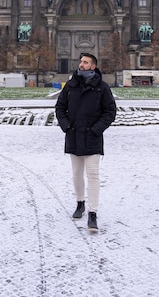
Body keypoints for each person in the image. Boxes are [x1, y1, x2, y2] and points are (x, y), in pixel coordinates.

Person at [55, 53, 117, 231]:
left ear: (93, 66)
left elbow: (110, 112)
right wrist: (67, 126)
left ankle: (93, 213)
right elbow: (60, 107)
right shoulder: (70, 85)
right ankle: (80, 203)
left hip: (92, 138)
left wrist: (96, 130)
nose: (81, 64)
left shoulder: (102, 87)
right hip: (74, 135)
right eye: (81, 62)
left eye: (85, 62)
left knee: (93, 176)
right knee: (76, 174)